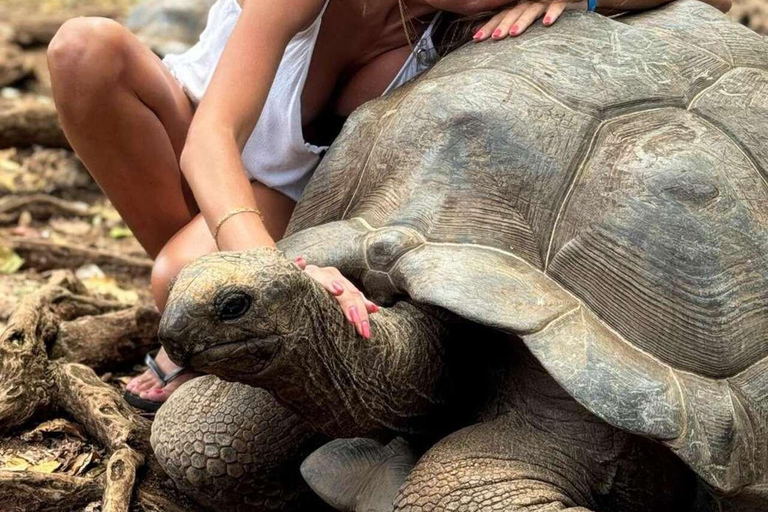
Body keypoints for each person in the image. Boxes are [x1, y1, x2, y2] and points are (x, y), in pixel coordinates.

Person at [46, 0, 731, 411]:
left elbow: (716, 5)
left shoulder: (455, 30)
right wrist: (277, 278)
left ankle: (210, 315)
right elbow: (210, 139)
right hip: (185, 129)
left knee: (178, 277)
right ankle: (220, 319)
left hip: (284, 194)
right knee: (84, 49)